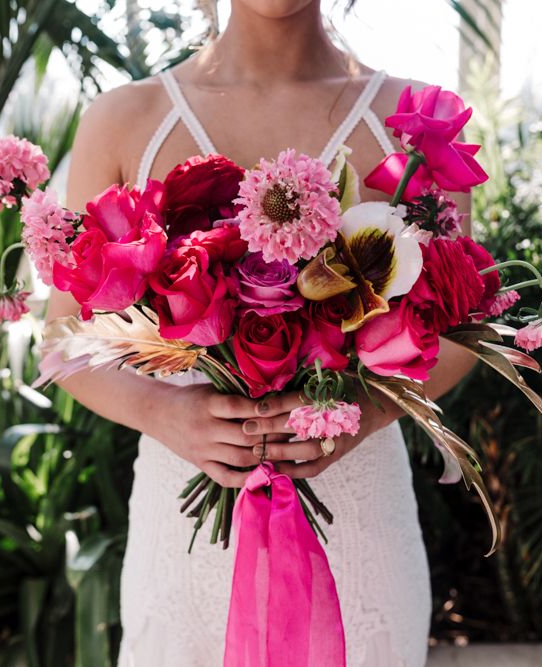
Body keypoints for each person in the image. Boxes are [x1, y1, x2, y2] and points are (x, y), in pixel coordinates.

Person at [47, 0, 477, 664]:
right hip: (185, 531)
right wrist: (163, 412)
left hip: (359, 521)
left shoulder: (418, 120)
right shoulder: (123, 119)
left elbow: (457, 327)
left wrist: (358, 414)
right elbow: (64, 335)